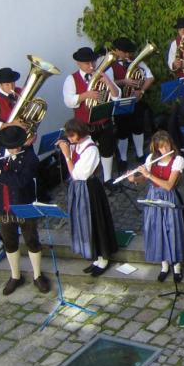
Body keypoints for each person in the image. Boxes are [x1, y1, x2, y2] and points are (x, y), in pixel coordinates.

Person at [0, 125, 49, 295]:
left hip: (23, 206)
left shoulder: (30, 157)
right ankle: (15, 276)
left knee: (31, 240)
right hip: (2, 207)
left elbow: (21, 181)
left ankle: (37, 276)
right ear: (5, 145)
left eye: (19, 145)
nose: (17, 149)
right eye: (13, 147)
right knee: (9, 242)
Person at [57, 118, 119, 277]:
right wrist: (67, 147)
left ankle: (104, 258)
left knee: (96, 222)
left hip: (89, 189)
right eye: (68, 136)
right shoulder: (77, 144)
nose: (69, 139)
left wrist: (67, 156)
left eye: (72, 135)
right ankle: (97, 258)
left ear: (80, 133)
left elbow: (78, 174)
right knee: (85, 223)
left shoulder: (91, 149)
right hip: (79, 189)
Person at [128, 131, 184, 282]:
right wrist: (134, 179)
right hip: (153, 196)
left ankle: (177, 267)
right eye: (161, 147)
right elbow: (144, 178)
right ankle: (164, 266)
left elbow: (169, 185)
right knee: (157, 229)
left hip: (169, 197)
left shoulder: (178, 160)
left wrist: (148, 175)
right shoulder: (151, 158)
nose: (165, 149)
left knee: (172, 230)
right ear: (156, 148)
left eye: (167, 145)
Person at [62, 46, 121, 185]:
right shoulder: (71, 79)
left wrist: (108, 82)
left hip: (104, 121)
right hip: (84, 125)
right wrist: (86, 95)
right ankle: (85, 181)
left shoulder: (102, 74)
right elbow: (69, 101)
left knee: (107, 149)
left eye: (93, 62)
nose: (91, 66)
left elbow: (117, 96)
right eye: (87, 63)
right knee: (83, 153)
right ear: (78, 63)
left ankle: (107, 179)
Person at [110, 37, 154, 169]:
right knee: (122, 131)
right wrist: (124, 82)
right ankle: (123, 158)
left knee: (138, 128)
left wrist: (141, 91)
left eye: (129, 51)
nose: (128, 54)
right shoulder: (110, 64)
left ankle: (140, 154)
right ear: (117, 51)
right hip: (120, 101)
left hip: (136, 100)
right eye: (125, 52)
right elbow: (108, 82)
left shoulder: (136, 62)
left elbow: (150, 77)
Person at [0, 67, 26, 146]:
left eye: (13, 83)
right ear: (0, 84)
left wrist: (33, 134)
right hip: (4, 140)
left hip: (23, 137)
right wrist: (11, 124)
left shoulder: (21, 91)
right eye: (7, 84)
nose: (11, 87)